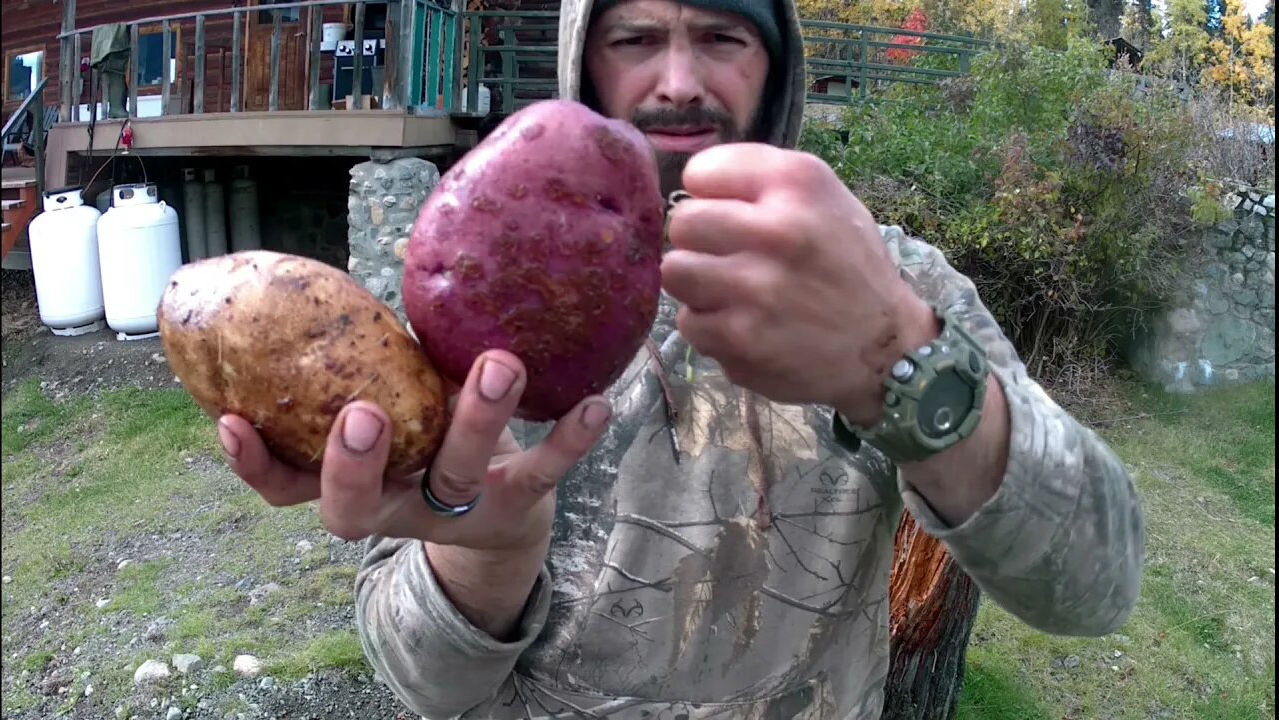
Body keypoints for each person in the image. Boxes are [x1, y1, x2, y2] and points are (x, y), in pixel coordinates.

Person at [216, 0, 1146, 716]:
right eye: (633, 38)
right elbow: (424, 684)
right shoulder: (482, 302)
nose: (675, 81)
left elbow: (1098, 585)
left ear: (777, 69)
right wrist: (490, 559)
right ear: (582, 59)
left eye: (721, 35)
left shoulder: (881, 281)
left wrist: (897, 365)